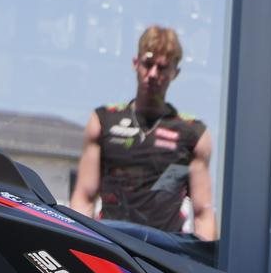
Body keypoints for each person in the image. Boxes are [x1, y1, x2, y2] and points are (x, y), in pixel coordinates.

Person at [69, 25, 217, 240]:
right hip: (112, 244)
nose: (153, 74)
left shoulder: (192, 133)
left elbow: (203, 213)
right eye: (148, 64)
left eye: (162, 67)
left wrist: (205, 257)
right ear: (135, 63)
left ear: (175, 73)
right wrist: (79, 244)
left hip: (164, 250)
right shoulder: (104, 120)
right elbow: (84, 197)